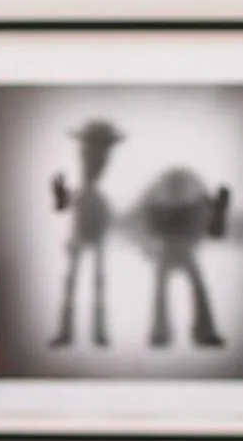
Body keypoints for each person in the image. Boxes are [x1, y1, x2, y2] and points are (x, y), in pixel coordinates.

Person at [134, 168, 231, 348]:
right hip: (172, 246)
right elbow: (147, 221)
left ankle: (167, 331)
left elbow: (206, 225)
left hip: (174, 246)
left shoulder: (165, 196)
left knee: (175, 289)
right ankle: (173, 331)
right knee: (185, 288)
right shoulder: (170, 196)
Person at [50, 118, 123, 348]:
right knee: (75, 281)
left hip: (93, 227)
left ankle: (95, 332)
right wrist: (61, 197)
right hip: (82, 228)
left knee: (94, 282)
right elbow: (65, 204)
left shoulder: (97, 185)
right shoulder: (87, 182)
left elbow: (67, 203)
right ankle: (71, 332)